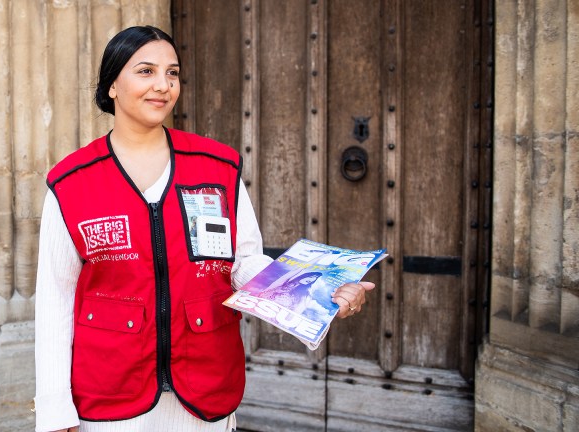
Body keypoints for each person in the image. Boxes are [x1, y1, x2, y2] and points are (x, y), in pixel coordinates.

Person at [34, 25, 375, 432]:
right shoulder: (73, 182)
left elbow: (244, 264)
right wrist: (56, 411)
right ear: (112, 85)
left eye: (172, 73)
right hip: (111, 395)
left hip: (203, 390)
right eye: (146, 72)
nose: (163, 85)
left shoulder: (216, 167)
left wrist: (319, 292)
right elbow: (55, 298)